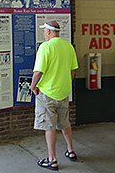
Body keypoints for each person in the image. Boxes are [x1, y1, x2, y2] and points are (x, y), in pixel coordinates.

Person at [30, 21, 79, 171]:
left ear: (49, 31)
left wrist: (33, 87)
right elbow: (73, 70)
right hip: (63, 93)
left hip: (47, 94)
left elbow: (39, 71)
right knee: (65, 123)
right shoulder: (68, 46)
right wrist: (64, 84)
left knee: (49, 127)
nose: (44, 33)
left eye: (45, 31)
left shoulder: (45, 47)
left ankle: (52, 160)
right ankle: (70, 151)